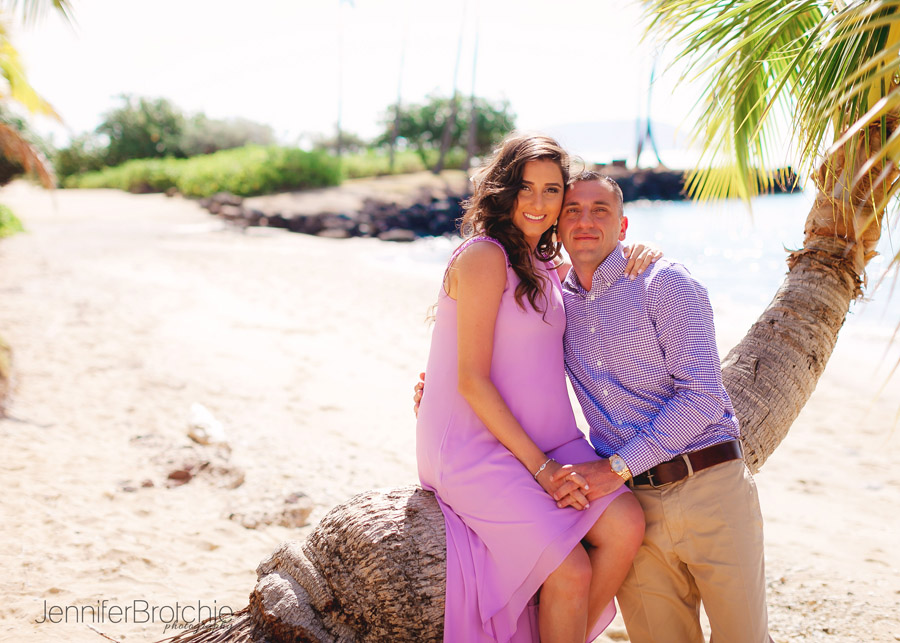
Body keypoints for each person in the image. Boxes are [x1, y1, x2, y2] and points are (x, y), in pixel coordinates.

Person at [415, 134, 648, 643]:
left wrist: (638, 253)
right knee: (570, 573)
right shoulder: (483, 256)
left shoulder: (545, 266)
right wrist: (542, 471)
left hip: (551, 437)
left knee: (627, 525)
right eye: (527, 188)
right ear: (504, 190)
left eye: (552, 189)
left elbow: (601, 268)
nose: (540, 203)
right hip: (477, 448)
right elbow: (470, 380)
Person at [548, 171, 772, 642]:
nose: (585, 221)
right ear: (558, 226)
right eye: (573, 211)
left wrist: (616, 467)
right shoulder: (554, 302)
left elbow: (704, 397)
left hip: (710, 489)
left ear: (624, 226)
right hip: (636, 511)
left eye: (600, 210)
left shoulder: (662, 283)